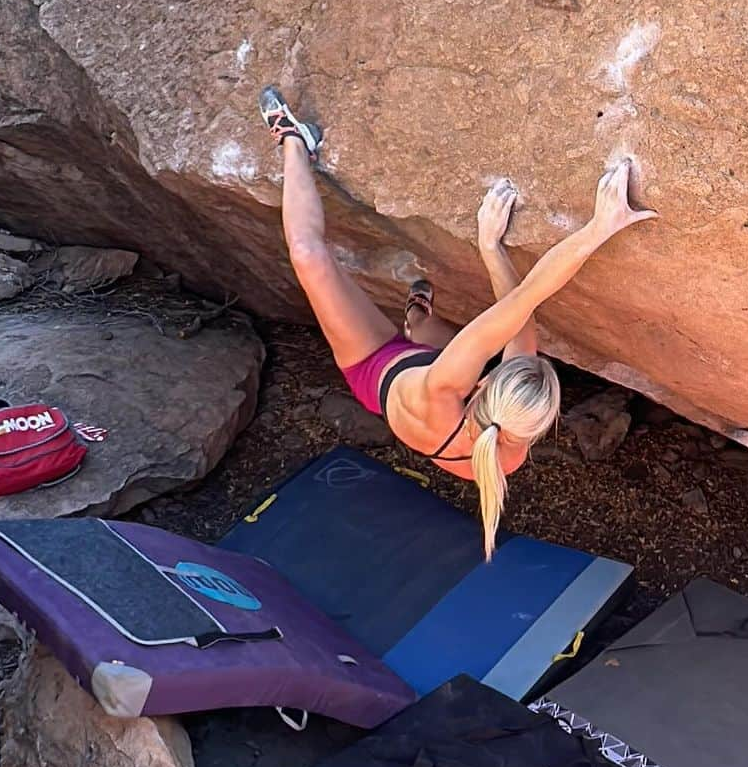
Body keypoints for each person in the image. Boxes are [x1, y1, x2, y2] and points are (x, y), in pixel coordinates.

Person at [259, 86, 656, 558]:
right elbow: (520, 324)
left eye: (499, 371)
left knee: (308, 255)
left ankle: (292, 139)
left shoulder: (449, 386)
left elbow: (530, 296)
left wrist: (598, 228)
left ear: (484, 387)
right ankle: (418, 323)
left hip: (373, 370)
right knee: (452, 337)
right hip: (422, 379)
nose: (507, 363)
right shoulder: (507, 449)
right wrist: (491, 249)